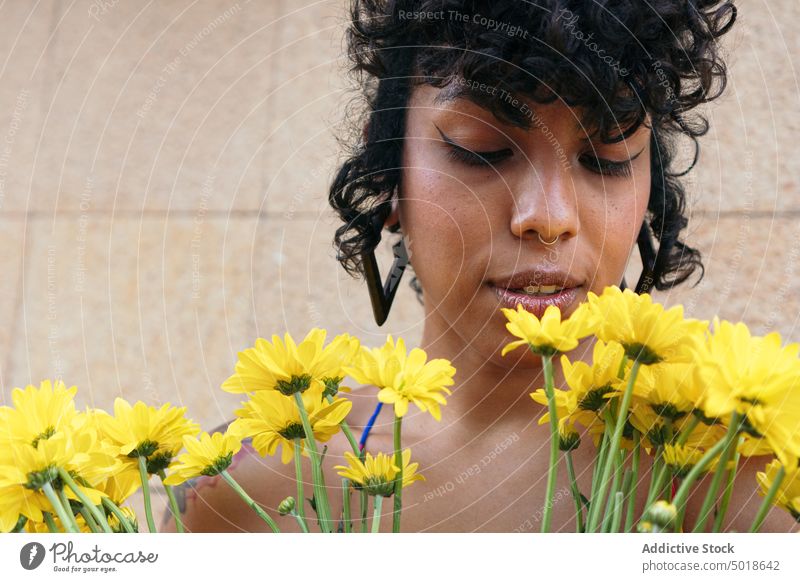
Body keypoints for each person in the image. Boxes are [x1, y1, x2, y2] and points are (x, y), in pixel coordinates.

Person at [162, 0, 797, 533]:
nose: (548, 217)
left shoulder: (751, 487)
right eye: (481, 150)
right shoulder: (246, 487)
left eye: (605, 158)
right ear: (389, 172)